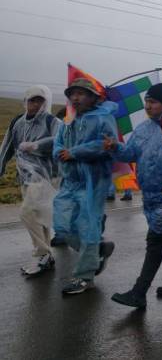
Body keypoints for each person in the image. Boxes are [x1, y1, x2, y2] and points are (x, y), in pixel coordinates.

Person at [104, 83, 162, 308]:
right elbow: (130, 153)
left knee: (155, 239)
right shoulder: (142, 129)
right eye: (147, 101)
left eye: (153, 102)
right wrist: (114, 147)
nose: (147, 106)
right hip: (150, 195)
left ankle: (139, 292)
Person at [52, 78, 118, 294]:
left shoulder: (103, 119)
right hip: (70, 181)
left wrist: (75, 153)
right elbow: (58, 143)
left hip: (94, 182)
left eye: (81, 93)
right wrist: (59, 154)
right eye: (72, 94)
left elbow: (106, 145)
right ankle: (98, 249)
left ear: (93, 97)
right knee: (62, 226)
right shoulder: (68, 120)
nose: (75, 98)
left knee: (87, 229)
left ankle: (84, 277)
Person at [0, 85, 62, 276]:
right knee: (40, 217)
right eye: (32, 100)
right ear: (25, 101)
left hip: (46, 177)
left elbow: (60, 140)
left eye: (40, 100)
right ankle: (47, 257)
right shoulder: (17, 122)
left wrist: (37, 145)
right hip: (25, 177)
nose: (35, 104)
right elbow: (7, 147)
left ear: (46, 102)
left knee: (27, 213)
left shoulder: (52, 121)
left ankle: (42, 252)